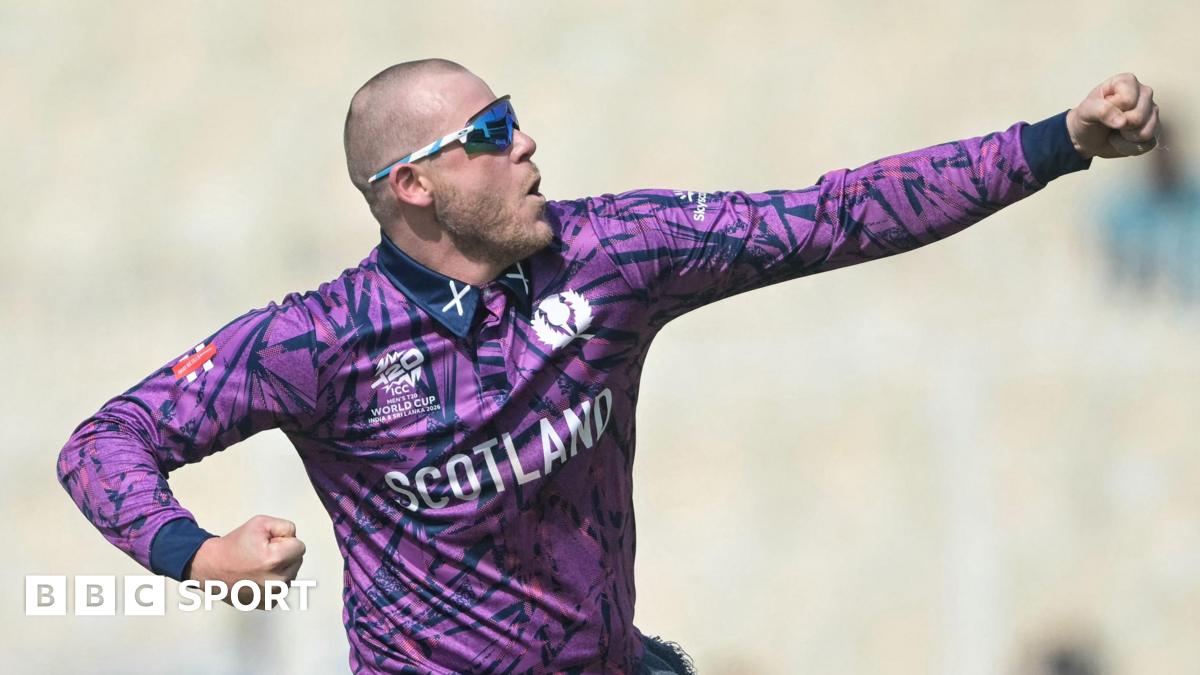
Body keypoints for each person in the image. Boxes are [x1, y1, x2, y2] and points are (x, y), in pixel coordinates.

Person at [56, 59, 1159, 674]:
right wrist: (196, 554)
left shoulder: (616, 252)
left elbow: (835, 214)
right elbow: (105, 442)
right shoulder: (319, 341)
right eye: (489, 131)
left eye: (516, 117)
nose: (526, 142)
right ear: (413, 187)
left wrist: (1056, 142)